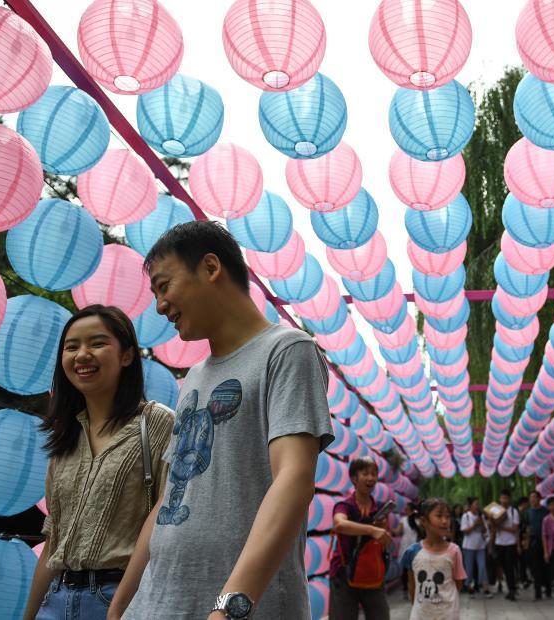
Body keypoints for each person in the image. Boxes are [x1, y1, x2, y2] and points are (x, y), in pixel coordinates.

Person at [108, 221, 335, 620]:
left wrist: (228, 610)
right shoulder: (193, 376)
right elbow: (170, 496)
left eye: (164, 286)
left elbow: (294, 479)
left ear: (211, 267)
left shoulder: (287, 350)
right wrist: (121, 606)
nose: (160, 306)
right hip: (156, 605)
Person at [22, 306, 174, 620]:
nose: (82, 354)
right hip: (56, 600)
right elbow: (54, 541)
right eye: (72, 346)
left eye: (97, 343)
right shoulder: (66, 435)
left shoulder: (156, 422)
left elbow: (167, 518)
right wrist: (30, 614)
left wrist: (118, 608)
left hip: (121, 600)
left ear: (127, 356)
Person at [329, 457, 393, 620]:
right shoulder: (344, 506)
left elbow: (385, 541)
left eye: (374, 474)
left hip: (372, 571)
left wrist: (383, 530)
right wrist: (372, 530)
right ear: (353, 478)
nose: (371, 478)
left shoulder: (380, 508)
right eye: (365, 473)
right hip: (343, 573)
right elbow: (340, 524)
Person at [405, 498, 467, 620]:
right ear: (423, 521)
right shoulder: (412, 552)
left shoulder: (454, 551)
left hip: (447, 614)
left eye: (448, 517)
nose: (445, 521)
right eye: (439, 516)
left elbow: (458, 583)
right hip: (421, 615)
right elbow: (412, 585)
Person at [459, 497, 492, 598]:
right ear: (471, 505)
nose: (477, 506)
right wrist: (474, 524)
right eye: (475, 504)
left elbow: (485, 532)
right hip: (469, 547)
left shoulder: (481, 516)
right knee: (469, 569)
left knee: (482, 566)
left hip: (480, 546)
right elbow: (465, 531)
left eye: (478, 504)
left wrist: (482, 525)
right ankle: (470, 587)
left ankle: (485, 588)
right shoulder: (466, 516)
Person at [492, 489, 520, 601]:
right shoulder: (496, 510)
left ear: (509, 499)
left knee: (509, 567)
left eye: (506, 498)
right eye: (502, 498)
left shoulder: (514, 511)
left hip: (510, 543)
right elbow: (492, 526)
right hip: (499, 543)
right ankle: (510, 588)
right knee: (502, 567)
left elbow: (515, 529)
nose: (503, 500)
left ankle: (512, 590)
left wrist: (501, 527)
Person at [526, 491, 551, 601]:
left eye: (534, 497)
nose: (532, 499)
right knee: (535, 568)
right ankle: (537, 592)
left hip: (544, 541)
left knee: (546, 566)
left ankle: (548, 588)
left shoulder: (545, 511)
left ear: (539, 498)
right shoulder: (528, 512)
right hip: (533, 541)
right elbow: (526, 526)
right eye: (531, 497)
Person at [395, 503, 420, 600]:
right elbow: (398, 531)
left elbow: (397, 532)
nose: (405, 509)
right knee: (407, 570)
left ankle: (409, 590)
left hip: (412, 546)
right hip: (409, 545)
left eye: (407, 508)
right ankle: (407, 589)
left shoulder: (417, 520)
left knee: (409, 569)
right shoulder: (404, 520)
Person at [516, 496, 531, 589]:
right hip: (519, 539)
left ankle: (524, 578)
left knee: (523, 560)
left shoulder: (524, 513)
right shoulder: (518, 513)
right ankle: (522, 579)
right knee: (520, 560)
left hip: (524, 538)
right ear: (524, 503)